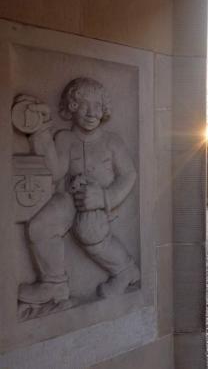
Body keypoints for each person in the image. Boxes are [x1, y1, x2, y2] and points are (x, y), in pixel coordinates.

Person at [18, 77, 140, 305]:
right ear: (72, 107)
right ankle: (54, 284)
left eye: (97, 106)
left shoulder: (111, 141)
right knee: (39, 226)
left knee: (91, 234)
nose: (92, 112)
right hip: (68, 199)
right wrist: (39, 132)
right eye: (84, 105)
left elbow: (129, 175)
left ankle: (125, 271)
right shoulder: (64, 138)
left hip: (96, 205)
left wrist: (105, 198)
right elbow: (55, 172)